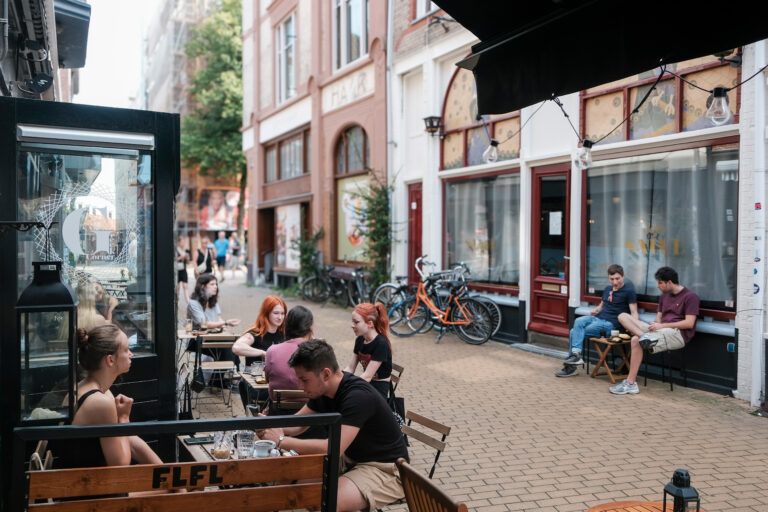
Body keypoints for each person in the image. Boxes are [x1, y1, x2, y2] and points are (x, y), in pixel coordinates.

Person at [259, 339, 408, 512]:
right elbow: (298, 424)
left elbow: (331, 447)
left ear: (326, 374)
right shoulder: (323, 390)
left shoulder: (358, 397)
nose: (300, 386)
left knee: (321, 501)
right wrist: (268, 425)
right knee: (301, 489)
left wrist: (280, 440)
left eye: (304, 379)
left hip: (385, 468)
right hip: (351, 458)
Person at [55, 325, 162, 468]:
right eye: (126, 350)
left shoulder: (99, 391)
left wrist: (168, 474)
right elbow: (121, 465)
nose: (131, 354)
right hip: (84, 487)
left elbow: (131, 441)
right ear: (110, 360)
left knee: (170, 487)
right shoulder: (100, 402)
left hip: (89, 481)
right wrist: (124, 418)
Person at [610, 266, 699, 395]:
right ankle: (644, 337)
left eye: (660, 283)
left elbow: (689, 323)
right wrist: (655, 324)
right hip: (660, 330)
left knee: (635, 340)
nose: (658, 286)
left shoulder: (690, 297)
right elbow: (659, 318)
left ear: (669, 282)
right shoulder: (664, 296)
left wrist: (661, 326)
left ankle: (630, 383)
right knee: (622, 316)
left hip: (678, 334)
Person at [555, 264, 638, 377]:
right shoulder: (608, 289)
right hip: (597, 319)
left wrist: (634, 328)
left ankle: (572, 366)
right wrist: (597, 310)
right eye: (612, 279)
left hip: (610, 325)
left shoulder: (629, 292)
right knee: (578, 321)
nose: (614, 282)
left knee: (573, 332)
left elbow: (634, 312)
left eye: (617, 278)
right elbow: (602, 304)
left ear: (623, 276)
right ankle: (576, 355)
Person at [233, 296, 286, 407]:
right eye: (276, 313)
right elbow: (236, 347)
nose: (280, 317)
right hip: (257, 386)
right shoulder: (256, 333)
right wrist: (262, 353)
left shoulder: (284, 334)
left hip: (277, 384)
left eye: (283, 313)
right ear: (266, 313)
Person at [263, 305, 313, 414]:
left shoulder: (272, 351)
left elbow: (267, 379)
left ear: (286, 325)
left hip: (278, 413)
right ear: (310, 327)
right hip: (310, 412)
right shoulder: (318, 351)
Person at [344, 302, 393, 399]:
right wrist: (338, 378)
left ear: (370, 323)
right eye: (352, 322)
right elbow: (350, 368)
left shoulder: (380, 344)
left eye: (356, 322)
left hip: (379, 387)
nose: (352, 325)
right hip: (367, 383)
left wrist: (348, 385)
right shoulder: (360, 340)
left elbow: (367, 376)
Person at [176, 237, 191, 303]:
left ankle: (188, 301)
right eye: (182, 242)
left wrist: (187, 258)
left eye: (183, 242)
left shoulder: (186, 250)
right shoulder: (176, 250)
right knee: (177, 287)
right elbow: (174, 259)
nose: (183, 243)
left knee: (185, 286)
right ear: (178, 242)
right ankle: (176, 300)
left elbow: (188, 262)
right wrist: (182, 257)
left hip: (183, 270)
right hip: (177, 270)